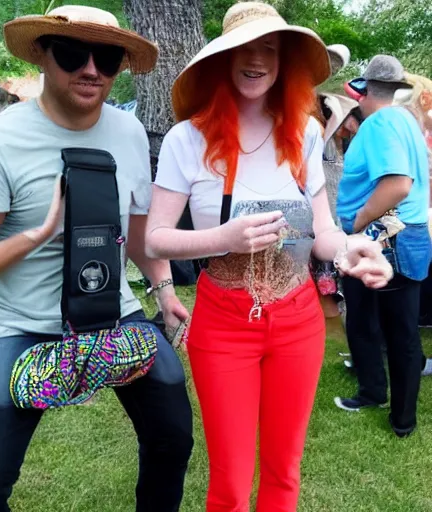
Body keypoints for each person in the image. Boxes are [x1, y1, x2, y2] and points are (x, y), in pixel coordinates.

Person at [0, 6, 193, 510]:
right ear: (43, 55)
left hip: (114, 314)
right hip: (20, 324)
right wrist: (38, 232)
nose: (92, 69)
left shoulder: (129, 133)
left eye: (109, 57)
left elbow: (136, 235)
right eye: (74, 53)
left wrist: (164, 289)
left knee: (172, 437)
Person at [145, 2, 393, 511]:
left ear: (285, 64)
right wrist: (224, 238)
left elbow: (322, 229)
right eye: (244, 48)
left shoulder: (302, 134)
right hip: (224, 322)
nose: (256, 59)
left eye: (270, 49)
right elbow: (155, 239)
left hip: (299, 317)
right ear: (222, 59)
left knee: (284, 474)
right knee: (232, 486)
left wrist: (350, 249)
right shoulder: (186, 139)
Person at [335, 55, 431, 437]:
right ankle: (400, 416)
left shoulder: (377, 123)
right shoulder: (406, 121)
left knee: (367, 320)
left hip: (383, 236)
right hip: (410, 233)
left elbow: (398, 184)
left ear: (362, 90)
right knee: (400, 328)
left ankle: (379, 396)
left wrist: (356, 222)